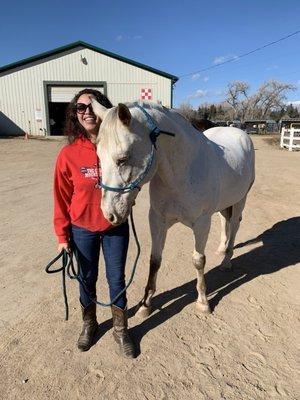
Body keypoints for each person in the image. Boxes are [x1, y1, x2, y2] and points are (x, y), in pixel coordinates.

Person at [53, 88, 135, 358]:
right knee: (86, 279)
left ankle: (121, 329)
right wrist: (62, 236)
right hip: (82, 228)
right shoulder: (68, 155)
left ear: (103, 110)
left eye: (93, 105)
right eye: (80, 108)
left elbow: (134, 175)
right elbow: (61, 197)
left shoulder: (117, 145)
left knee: (116, 279)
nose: (87, 112)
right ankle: (90, 323)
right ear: (74, 114)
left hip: (115, 227)